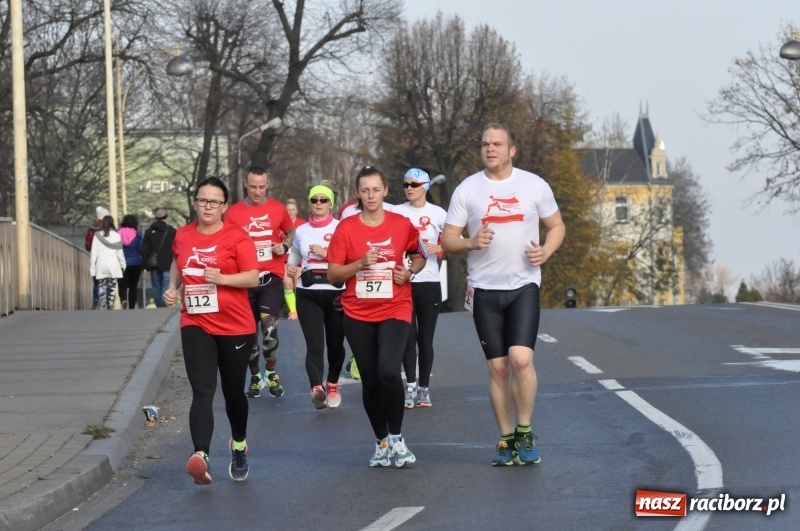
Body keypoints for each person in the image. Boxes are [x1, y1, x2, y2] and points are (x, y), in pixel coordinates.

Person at [441, 124, 565, 466]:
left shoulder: (533, 185)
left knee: (521, 359)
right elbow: (448, 239)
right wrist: (470, 242)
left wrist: (546, 252)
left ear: (512, 150)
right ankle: (505, 438)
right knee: (497, 368)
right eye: (485, 144)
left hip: (524, 285)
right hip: (484, 290)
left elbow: (556, 226)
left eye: (497, 144)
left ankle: (525, 431)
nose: (490, 149)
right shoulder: (468, 189)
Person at [327, 165, 426, 468]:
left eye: (376, 189)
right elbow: (333, 274)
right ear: (357, 193)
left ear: (385, 191)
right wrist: (359, 263)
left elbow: (420, 255)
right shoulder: (347, 228)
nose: (371, 195)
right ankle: (381, 441)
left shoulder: (401, 223)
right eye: (365, 190)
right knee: (370, 379)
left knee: (387, 370)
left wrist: (408, 271)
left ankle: (397, 437)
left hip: (396, 306)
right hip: (357, 311)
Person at [163, 177, 259, 485]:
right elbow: (178, 262)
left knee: (233, 394)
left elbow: (253, 278)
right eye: (203, 200)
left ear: (224, 207)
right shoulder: (182, 235)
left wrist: (222, 279)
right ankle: (201, 455)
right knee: (202, 391)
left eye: (214, 201)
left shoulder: (237, 237)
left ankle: (239, 444)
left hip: (235, 326)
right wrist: (172, 287)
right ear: (195, 203)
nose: (208, 206)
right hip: (196, 322)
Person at [225, 165, 294, 398]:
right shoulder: (232, 213)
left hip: (269, 276)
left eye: (261, 187)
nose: (257, 191)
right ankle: (255, 376)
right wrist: (237, 237)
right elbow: (223, 245)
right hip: (244, 281)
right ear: (245, 183)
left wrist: (284, 246)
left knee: (269, 326)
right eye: (253, 186)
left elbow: (291, 232)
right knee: (248, 332)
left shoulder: (277, 209)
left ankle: (272, 373)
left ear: (268, 184)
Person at [287, 184, 346, 409]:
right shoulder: (301, 230)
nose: (319, 204)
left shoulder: (342, 227)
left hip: (336, 293)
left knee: (336, 344)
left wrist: (326, 253)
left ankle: (332, 383)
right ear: (310, 203)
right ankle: (316, 389)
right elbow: (294, 253)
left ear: (331, 204)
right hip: (307, 293)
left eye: (323, 200)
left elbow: (351, 259)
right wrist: (291, 268)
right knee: (314, 345)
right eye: (314, 200)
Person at [392, 168, 447, 409]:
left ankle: (424, 389)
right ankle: (410, 386)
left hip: (429, 281)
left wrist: (440, 247)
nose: (409, 188)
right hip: (403, 281)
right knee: (406, 337)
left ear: (425, 186)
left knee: (425, 338)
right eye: (406, 184)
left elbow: (455, 240)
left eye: (414, 184)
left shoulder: (438, 213)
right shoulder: (395, 212)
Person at [89, 215, 126, 310]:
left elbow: (93, 254)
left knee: (102, 286)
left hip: (101, 265)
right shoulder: (117, 235)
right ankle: (110, 305)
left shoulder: (97, 235)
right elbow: (120, 253)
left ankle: (103, 304)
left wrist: (92, 269)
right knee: (112, 287)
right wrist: (123, 265)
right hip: (113, 265)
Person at [141, 208, 176, 308]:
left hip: (153, 264)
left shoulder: (149, 231)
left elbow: (144, 249)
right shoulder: (172, 231)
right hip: (168, 263)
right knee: (166, 283)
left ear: (156, 218)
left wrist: (144, 266)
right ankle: (164, 302)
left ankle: (159, 305)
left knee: (156, 285)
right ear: (166, 217)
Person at [282, 198, 306, 319]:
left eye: (292, 210)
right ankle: (293, 311)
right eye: (288, 210)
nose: (290, 212)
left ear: (296, 211)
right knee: (287, 283)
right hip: (284, 260)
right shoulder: (280, 224)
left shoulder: (302, 224)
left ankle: (302, 310)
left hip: (299, 261)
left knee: (298, 285)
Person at [118, 214, 144, 309]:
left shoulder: (117, 233)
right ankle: (132, 306)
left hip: (121, 263)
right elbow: (142, 248)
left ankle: (123, 300)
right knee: (133, 286)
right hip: (136, 263)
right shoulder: (138, 234)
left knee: (122, 285)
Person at [86, 206, 110, 309]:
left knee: (96, 282)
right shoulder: (110, 229)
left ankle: (96, 298)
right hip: (108, 258)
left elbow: (88, 246)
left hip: (96, 258)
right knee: (108, 281)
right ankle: (107, 301)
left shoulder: (92, 230)